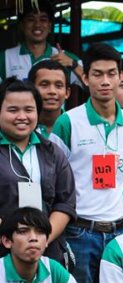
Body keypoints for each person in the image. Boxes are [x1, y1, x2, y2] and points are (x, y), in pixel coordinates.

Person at [50, 43, 123, 283]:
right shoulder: (67, 123)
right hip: (78, 232)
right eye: (97, 74)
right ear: (85, 78)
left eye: (111, 74)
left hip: (120, 231)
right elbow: (53, 180)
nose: (105, 81)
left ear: (119, 76)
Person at [0, 77, 74, 264]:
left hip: (47, 252)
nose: (22, 116)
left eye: (29, 110)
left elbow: (65, 203)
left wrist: (41, 240)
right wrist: (14, 240)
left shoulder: (52, 152)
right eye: (13, 110)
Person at [0, 1, 82, 84]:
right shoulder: (5, 57)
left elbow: (89, 85)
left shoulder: (67, 58)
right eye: (31, 20)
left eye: (43, 20)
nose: (37, 25)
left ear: (50, 26)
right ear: (22, 25)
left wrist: (73, 64)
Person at [28, 60, 69, 135]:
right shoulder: (22, 125)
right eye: (44, 85)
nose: (52, 91)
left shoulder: (75, 124)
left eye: (58, 86)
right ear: (31, 89)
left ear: (67, 93)